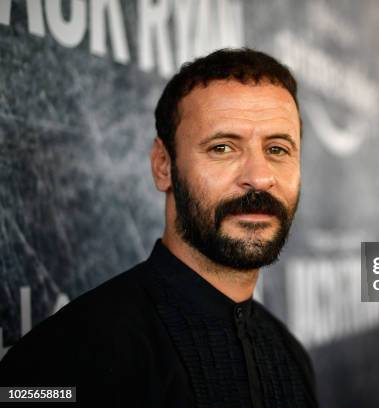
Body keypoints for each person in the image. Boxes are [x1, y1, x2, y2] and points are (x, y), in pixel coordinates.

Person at [0, 48, 317, 407]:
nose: (259, 178)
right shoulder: (63, 357)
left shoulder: (290, 355)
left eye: (277, 149)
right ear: (163, 166)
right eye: (223, 147)